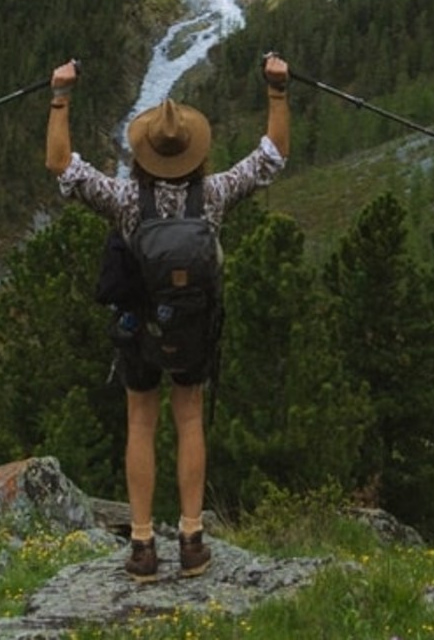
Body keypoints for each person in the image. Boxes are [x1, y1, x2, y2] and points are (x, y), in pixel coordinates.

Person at [45, 54, 290, 582]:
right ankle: (192, 539)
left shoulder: (127, 198)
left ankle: (140, 546)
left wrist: (60, 95)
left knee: (141, 421)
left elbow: (61, 165)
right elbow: (272, 157)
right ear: (194, 154)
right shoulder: (215, 195)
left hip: (140, 329)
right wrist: (277, 90)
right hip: (194, 327)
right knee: (189, 420)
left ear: (143, 153)